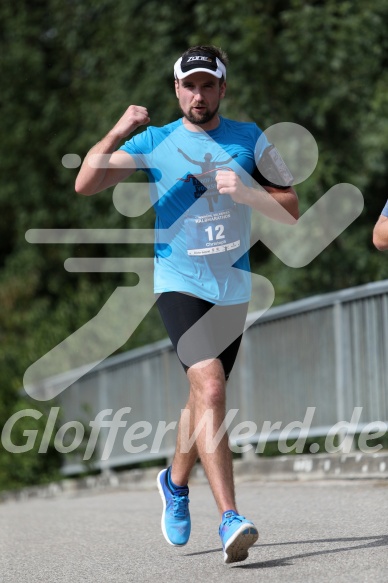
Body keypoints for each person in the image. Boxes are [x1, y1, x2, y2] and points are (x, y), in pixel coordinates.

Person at [75, 45, 299, 564]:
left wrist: (246, 189)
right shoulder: (155, 141)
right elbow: (86, 182)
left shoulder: (251, 138)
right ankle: (230, 517)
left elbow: (289, 209)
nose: (198, 95)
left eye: (208, 85)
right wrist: (117, 129)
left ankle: (174, 481)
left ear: (223, 88)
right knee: (212, 386)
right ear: (176, 89)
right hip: (178, 282)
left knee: (203, 401)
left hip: (232, 288)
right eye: (189, 85)